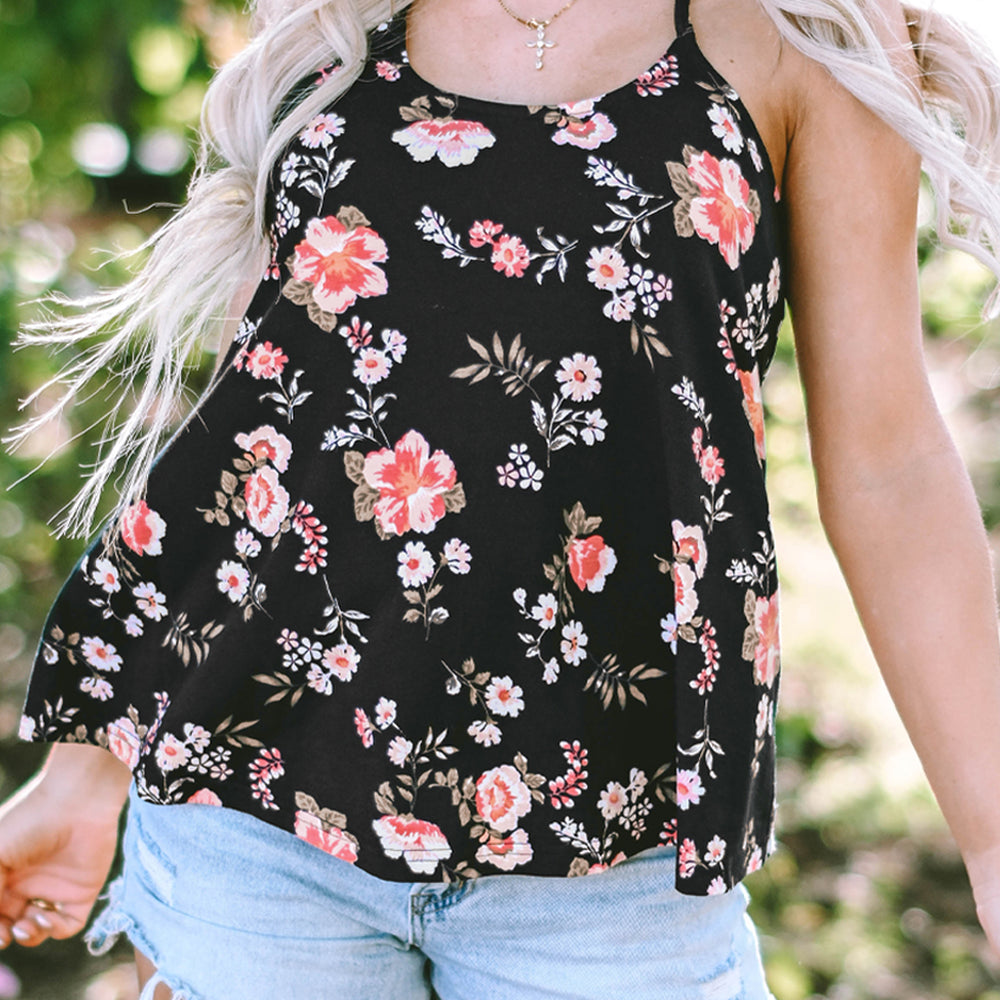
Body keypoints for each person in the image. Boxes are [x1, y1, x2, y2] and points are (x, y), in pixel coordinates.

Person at [3, 0, 1000, 996]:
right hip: (256, 825)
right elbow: (258, 437)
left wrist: (993, 841)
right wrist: (90, 767)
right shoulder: (342, 26)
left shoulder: (802, 39)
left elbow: (889, 466)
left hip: (616, 856)